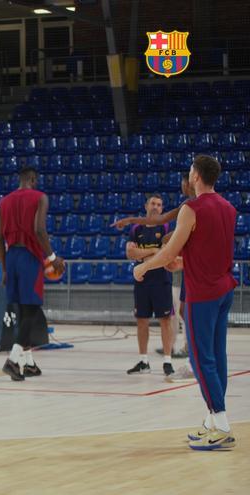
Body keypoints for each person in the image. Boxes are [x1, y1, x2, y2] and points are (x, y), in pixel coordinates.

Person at [133, 155, 236, 451]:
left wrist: (143, 267)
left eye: (191, 169)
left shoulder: (191, 209)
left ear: (195, 176)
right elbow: (209, 248)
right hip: (224, 289)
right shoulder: (228, 208)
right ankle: (212, 421)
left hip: (202, 294)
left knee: (201, 359)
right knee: (217, 356)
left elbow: (167, 253)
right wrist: (184, 263)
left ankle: (224, 426)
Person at [0, 167, 64, 381]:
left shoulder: (4, 201)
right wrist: (53, 257)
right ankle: (13, 360)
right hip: (29, 257)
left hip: (12, 257)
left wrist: (6, 268)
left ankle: (29, 363)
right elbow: (38, 229)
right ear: (33, 180)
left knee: (22, 312)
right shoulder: (40, 197)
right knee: (32, 309)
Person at [125, 194, 174, 376]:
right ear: (146, 206)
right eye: (153, 203)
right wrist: (155, 250)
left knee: (165, 321)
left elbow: (168, 253)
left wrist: (143, 254)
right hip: (142, 281)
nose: (156, 207)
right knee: (141, 321)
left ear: (162, 209)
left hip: (162, 280)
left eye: (159, 205)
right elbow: (130, 254)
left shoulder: (167, 227)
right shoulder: (136, 229)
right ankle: (143, 361)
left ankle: (167, 362)